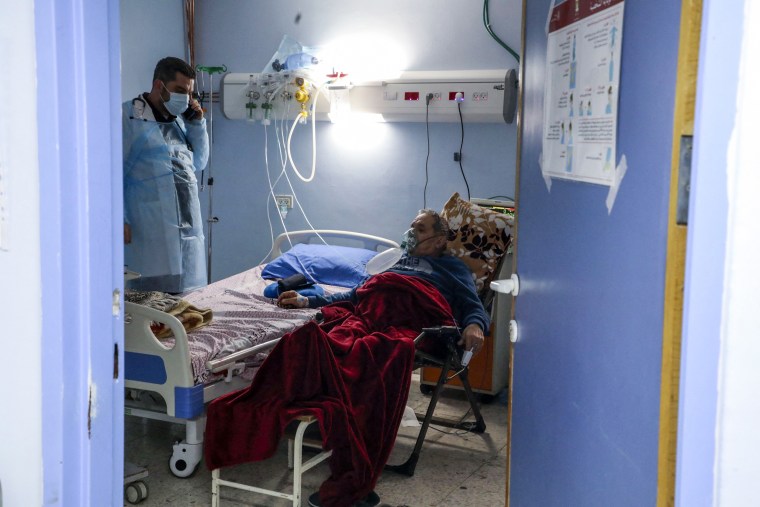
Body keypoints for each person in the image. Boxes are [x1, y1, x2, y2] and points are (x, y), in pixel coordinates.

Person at [278, 209, 488, 356]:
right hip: (370, 315)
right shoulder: (393, 259)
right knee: (315, 342)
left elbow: (472, 304)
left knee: (374, 349)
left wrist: (474, 326)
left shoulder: (452, 267)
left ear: (440, 241)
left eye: (421, 229)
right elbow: (356, 294)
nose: (412, 233)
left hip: (411, 322)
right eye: (412, 227)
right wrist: (306, 300)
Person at [122, 56, 209, 293]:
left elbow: (199, 162)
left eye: (189, 92)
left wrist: (197, 124)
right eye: (180, 90)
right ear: (159, 85)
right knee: (148, 304)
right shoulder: (128, 118)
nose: (186, 98)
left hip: (187, 229)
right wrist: (119, 219)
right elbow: (109, 173)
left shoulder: (179, 123)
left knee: (187, 301)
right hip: (149, 227)